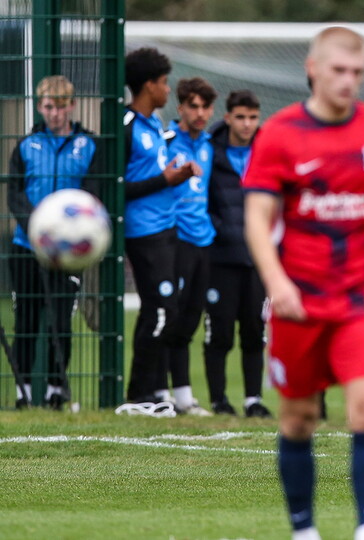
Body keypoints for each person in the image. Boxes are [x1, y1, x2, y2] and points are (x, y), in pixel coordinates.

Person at [243, 27, 364, 540]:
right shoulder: (281, 134)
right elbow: (257, 217)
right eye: (338, 71)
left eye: (357, 72)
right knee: (298, 417)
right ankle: (304, 528)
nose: (348, 81)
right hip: (298, 300)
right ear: (313, 68)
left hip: (360, 297)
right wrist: (275, 282)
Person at [7, 75, 99, 410]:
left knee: (61, 319)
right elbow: (15, 193)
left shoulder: (88, 146)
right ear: (40, 106)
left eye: (61, 107)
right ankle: (25, 390)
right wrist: (37, 226)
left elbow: (92, 192)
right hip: (26, 246)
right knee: (27, 318)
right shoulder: (26, 145)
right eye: (48, 106)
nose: (55, 113)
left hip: (68, 251)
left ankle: (56, 390)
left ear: (72, 106)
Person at [123, 47, 200, 404]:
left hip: (168, 230)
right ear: (148, 85)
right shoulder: (125, 127)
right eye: (164, 83)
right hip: (143, 233)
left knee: (164, 311)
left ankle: (152, 392)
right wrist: (165, 181)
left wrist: (177, 175)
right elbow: (112, 187)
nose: (168, 90)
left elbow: (156, 175)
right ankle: (140, 394)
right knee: (160, 311)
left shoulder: (154, 125)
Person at [204, 89, 271, 418]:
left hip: (257, 259)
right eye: (240, 117)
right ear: (228, 117)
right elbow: (200, 200)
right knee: (219, 332)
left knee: (253, 331)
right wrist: (221, 228)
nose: (247, 124)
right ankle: (218, 400)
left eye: (253, 117)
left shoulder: (267, 151)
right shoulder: (208, 151)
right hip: (220, 258)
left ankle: (252, 400)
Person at [163, 77, 217, 416]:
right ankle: (159, 391)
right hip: (174, 240)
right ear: (180, 107)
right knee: (169, 317)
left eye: (205, 107)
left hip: (204, 241)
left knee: (191, 319)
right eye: (192, 106)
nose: (199, 113)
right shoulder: (166, 141)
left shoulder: (210, 144)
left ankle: (183, 397)